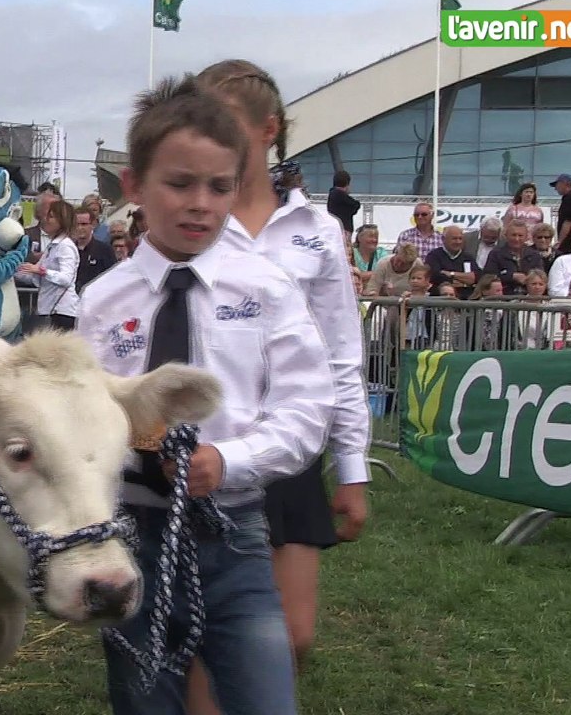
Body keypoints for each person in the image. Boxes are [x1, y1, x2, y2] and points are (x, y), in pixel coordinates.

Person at [77, 72, 334, 715]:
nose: (200, 203)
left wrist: (229, 461)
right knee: (142, 701)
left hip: (235, 538)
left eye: (219, 187)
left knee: (264, 698)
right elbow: (81, 421)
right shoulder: (103, 302)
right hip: (133, 535)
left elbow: (307, 408)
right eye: (179, 183)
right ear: (134, 186)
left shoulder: (267, 288)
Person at [193, 58, 373, 711]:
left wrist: (351, 466)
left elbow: (341, 354)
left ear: (269, 129)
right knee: (212, 641)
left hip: (289, 451)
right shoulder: (191, 220)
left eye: (225, 122)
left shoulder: (318, 233)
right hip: (209, 451)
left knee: (293, 636)